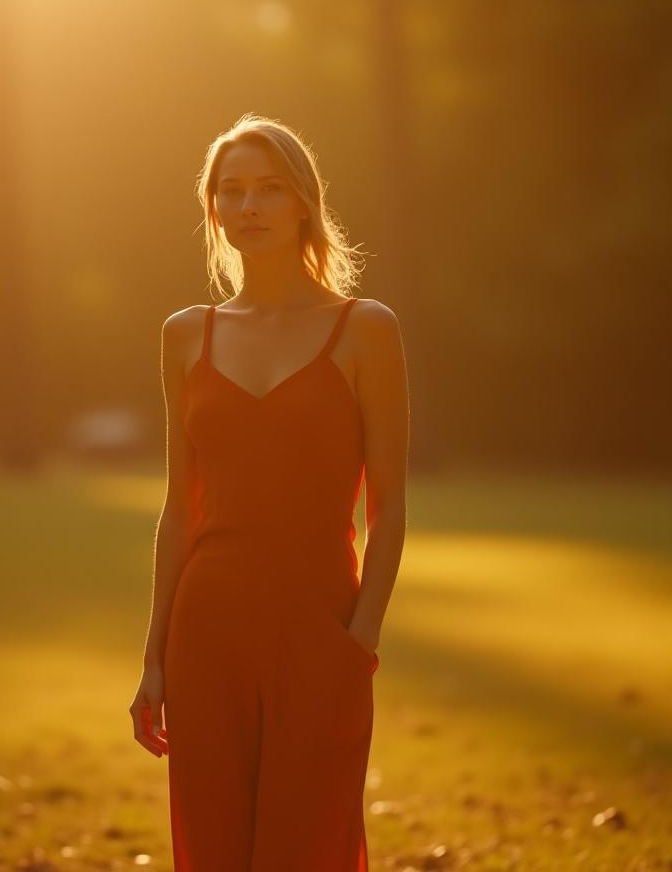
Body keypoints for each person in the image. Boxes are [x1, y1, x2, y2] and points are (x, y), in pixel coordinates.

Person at [129, 112, 409, 871]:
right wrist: (154, 659)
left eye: (268, 189)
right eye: (231, 192)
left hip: (321, 629)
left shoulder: (364, 329)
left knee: (309, 847)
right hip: (206, 633)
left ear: (303, 205)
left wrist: (361, 646)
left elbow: (387, 509)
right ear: (213, 209)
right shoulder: (186, 334)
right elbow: (178, 507)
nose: (247, 206)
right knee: (214, 849)